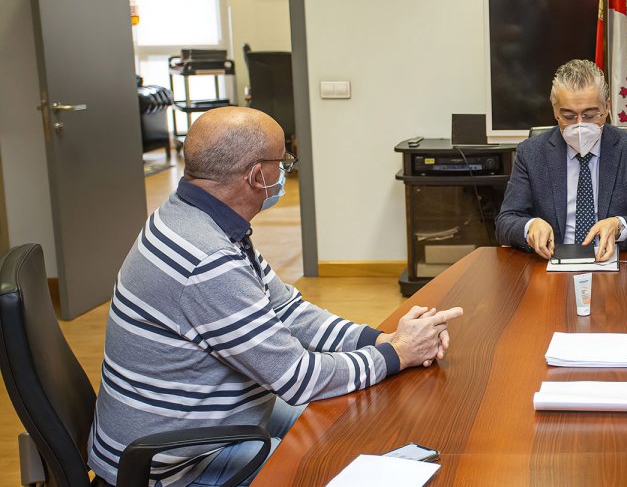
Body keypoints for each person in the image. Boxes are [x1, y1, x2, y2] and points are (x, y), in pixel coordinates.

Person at [88, 107, 464, 486]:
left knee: (352, 422)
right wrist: (397, 354)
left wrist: (379, 340)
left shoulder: (197, 218)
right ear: (256, 176)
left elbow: (287, 309)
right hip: (176, 465)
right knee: (336, 460)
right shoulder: (207, 259)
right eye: (282, 160)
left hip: (194, 426)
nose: (287, 169)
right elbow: (298, 378)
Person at [496, 59, 627, 260]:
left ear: (606, 108)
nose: (579, 125)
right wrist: (529, 227)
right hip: (551, 266)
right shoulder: (531, 153)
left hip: (615, 265)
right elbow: (505, 221)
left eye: (589, 115)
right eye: (569, 116)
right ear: (555, 110)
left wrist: (619, 225)